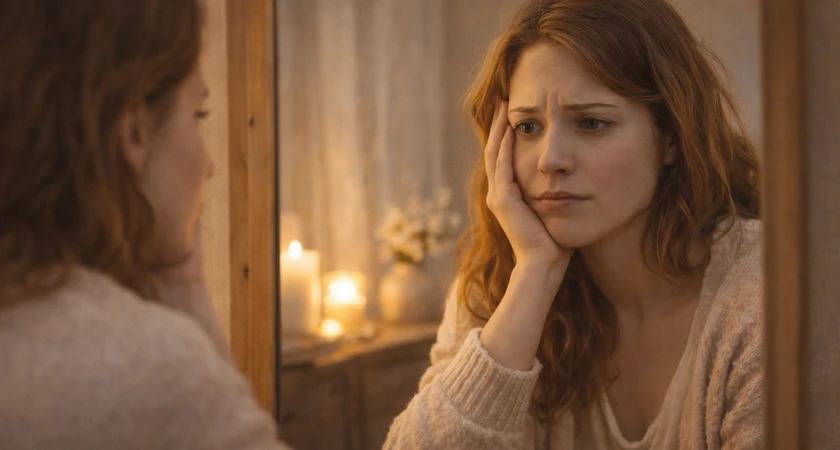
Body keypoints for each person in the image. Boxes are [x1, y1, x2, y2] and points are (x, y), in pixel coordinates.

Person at [385, 0, 762, 448]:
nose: (551, 160)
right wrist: (535, 275)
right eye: (527, 127)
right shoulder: (495, 286)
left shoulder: (762, 296)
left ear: (670, 138)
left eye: (591, 122)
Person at [0, 1, 291, 448]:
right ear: (134, 130)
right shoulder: (148, 373)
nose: (210, 164)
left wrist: (183, 290)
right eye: (198, 115)